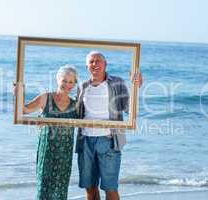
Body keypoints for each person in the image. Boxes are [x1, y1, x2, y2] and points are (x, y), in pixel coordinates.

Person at [75, 51, 142, 200]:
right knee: (90, 188)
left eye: (98, 61)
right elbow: (75, 112)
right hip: (85, 141)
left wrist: (136, 87)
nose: (95, 64)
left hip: (109, 141)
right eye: (91, 62)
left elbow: (128, 108)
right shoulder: (82, 86)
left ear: (105, 65)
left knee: (110, 188)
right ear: (87, 66)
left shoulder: (117, 83)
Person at [14, 65, 78, 200]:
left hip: (64, 153)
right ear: (58, 80)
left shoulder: (75, 105)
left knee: (60, 190)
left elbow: (88, 122)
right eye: (64, 80)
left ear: (74, 84)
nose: (67, 84)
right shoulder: (45, 98)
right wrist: (19, 94)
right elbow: (24, 110)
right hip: (47, 150)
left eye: (71, 81)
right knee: (44, 188)